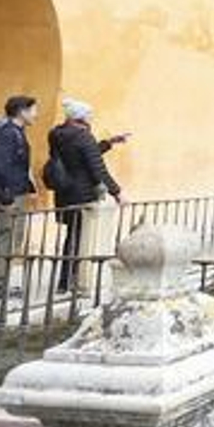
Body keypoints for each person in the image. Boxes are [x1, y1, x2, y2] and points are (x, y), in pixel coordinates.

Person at [48, 98, 126, 292]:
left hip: (64, 191)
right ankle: (74, 280)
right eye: (89, 115)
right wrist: (117, 192)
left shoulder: (56, 134)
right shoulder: (83, 137)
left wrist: (108, 143)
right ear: (81, 118)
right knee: (82, 237)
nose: (91, 119)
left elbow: (81, 156)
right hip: (82, 193)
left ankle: (65, 281)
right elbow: (97, 167)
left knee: (71, 235)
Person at [0, 95, 39, 299]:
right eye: (33, 110)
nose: (35, 114)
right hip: (8, 195)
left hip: (12, 192)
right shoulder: (8, 133)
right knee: (5, 241)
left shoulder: (14, 132)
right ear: (22, 111)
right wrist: (7, 197)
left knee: (7, 240)